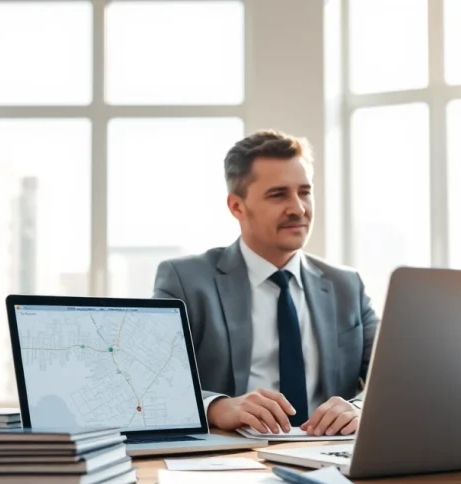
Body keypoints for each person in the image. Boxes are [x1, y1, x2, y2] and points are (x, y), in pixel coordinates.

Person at [153, 130, 378, 436]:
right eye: (278, 194)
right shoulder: (185, 281)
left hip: (325, 451)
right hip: (231, 456)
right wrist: (218, 407)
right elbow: (154, 381)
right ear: (237, 207)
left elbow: (394, 376)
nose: (298, 208)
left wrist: (359, 409)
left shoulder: (347, 285)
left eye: (304, 192)